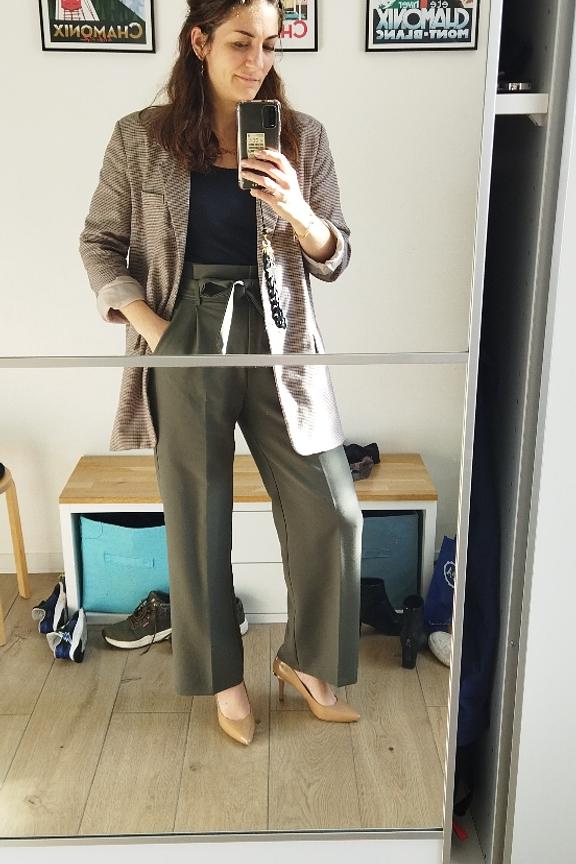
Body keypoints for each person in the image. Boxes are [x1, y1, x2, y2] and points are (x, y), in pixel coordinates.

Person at [79, 0, 363, 746]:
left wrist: (299, 210)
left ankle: (307, 661)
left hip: (281, 333)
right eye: (241, 42)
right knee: (197, 513)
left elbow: (335, 255)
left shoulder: (302, 136)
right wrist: (158, 333)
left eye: (269, 44)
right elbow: (99, 243)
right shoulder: (140, 138)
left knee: (332, 507)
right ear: (199, 41)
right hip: (185, 327)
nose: (257, 61)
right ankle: (223, 679)